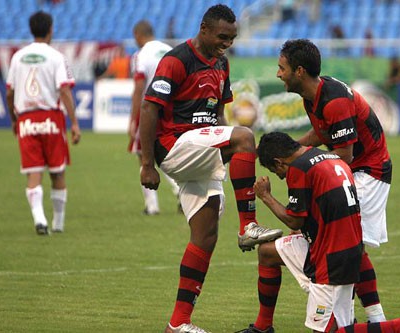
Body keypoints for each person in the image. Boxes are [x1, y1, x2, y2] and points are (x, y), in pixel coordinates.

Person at [139, 5, 283, 333]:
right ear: (203, 29)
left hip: (202, 150)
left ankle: (178, 323)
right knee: (246, 137)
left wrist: (226, 148)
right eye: (222, 36)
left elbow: (218, 114)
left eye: (232, 38)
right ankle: (248, 225)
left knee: (205, 236)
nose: (227, 43)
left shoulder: (221, 63)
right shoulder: (176, 60)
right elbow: (149, 109)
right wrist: (148, 164)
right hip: (175, 147)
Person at [237, 132, 400, 333]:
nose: (281, 176)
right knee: (267, 252)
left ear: (279, 162)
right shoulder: (327, 157)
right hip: (343, 246)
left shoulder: (299, 169)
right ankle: (263, 327)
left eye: (276, 171)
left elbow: (295, 219)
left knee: (328, 331)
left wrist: (266, 196)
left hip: (331, 259)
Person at [278, 39, 392, 324]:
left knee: (350, 245)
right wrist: (291, 151)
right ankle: (367, 319)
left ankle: (358, 320)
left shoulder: (335, 99)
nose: (278, 74)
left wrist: (299, 162)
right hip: (354, 169)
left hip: (369, 171)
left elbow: (343, 154)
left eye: (282, 68)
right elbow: (321, 134)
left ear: (299, 71)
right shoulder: (312, 96)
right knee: (350, 245)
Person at [5, 10, 81, 235]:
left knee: (33, 172)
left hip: (26, 119)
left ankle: (40, 220)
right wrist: (74, 123)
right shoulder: (57, 56)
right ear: (50, 29)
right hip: (51, 119)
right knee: (57, 172)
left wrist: (14, 119)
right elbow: (64, 90)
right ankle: (57, 224)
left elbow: (9, 93)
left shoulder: (18, 56)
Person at [129, 20, 180, 215]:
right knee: (166, 153)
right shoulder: (169, 50)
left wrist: (133, 120)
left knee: (144, 156)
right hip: (170, 111)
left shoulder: (141, 55)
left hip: (149, 111)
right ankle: (179, 191)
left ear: (137, 34)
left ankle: (152, 206)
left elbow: (139, 88)